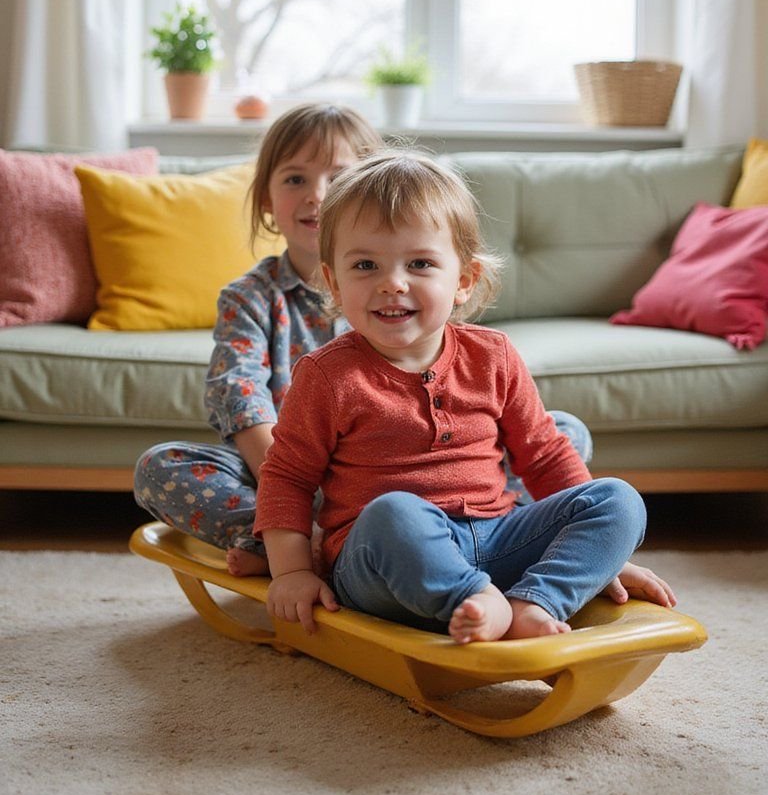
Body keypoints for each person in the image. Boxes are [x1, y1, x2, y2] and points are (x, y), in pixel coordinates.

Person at [134, 105, 592, 580]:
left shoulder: (421, 305)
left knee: (566, 433)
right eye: (295, 179)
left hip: (410, 479)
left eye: (337, 178)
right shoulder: (249, 298)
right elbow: (240, 399)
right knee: (160, 467)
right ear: (266, 197)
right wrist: (297, 501)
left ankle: (490, 531)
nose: (317, 195)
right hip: (282, 466)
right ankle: (288, 543)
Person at [255, 150, 676, 643]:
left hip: (498, 537)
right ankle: (474, 597)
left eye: (420, 263)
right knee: (394, 513)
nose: (392, 283)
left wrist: (605, 560)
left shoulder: (493, 355)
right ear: (333, 282)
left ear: (464, 280)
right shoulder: (327, 376)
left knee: (618, 500)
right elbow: (287, 478)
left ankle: (534, 602)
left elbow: (544, 455)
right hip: (385, 561)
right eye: (365, 265)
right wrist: (292, 572)